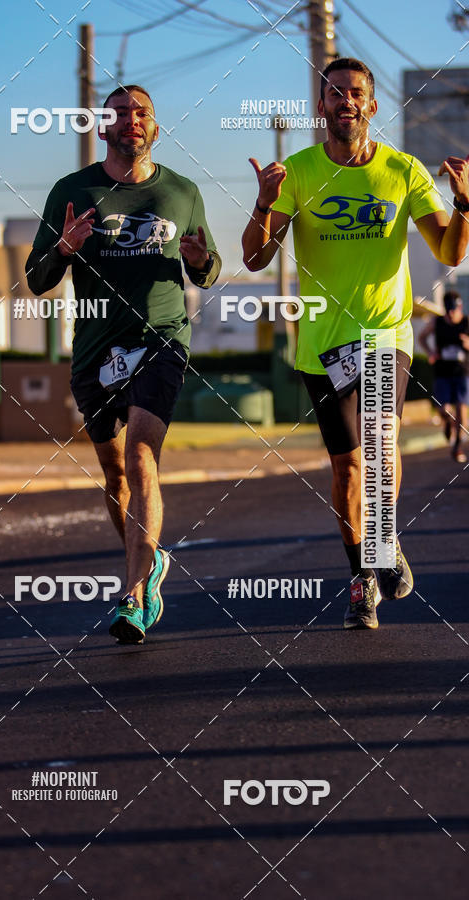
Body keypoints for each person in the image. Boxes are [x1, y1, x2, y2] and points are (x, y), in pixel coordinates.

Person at [242, 57, 469, 629]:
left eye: (356, 92)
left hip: (384, 332)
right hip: (322, 341)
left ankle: (384, 537)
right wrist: (264, 204)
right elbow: (255, 258)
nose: (346, 100)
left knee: (380, 441)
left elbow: (449, 251)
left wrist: (464, 205)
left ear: (371, 104)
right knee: (346, 469)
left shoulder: (403, 170)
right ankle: (362, 576)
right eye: (336, 92)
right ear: (321, 105)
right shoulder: (298, 172)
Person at [25, 85, 221, 644]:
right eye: (119, 113)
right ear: (102, 126)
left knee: (141, 457)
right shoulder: (73, 190)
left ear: (155, 128)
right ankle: (149, 560)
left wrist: (201, 260)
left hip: (161, 339)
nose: (131, 120)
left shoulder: (182, 191)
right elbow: (36, 279)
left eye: (142, 113)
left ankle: (133, 596)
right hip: (95, 351)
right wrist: (63, 249)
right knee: (115, 476)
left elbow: (209, 269)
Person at [419, 289, 469, 463]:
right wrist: (430, 352)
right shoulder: (437, 322)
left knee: (461, 410)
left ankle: (457, 447)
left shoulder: (467, 322)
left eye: (454, 310)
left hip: (462, 372)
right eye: (448, 311)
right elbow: (422, 337)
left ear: (460, 308)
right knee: (444, 410)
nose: (451, 314)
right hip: (442, 373)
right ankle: (448, 423)